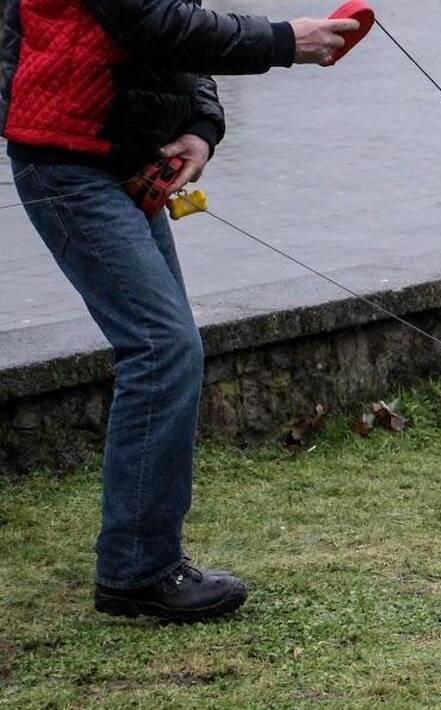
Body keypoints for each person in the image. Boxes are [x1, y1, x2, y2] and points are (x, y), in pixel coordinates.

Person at [0, 0, 360, 622]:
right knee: (161, 348)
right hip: (66, 162)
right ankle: (138, 571)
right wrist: (284, 39)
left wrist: (200, 127)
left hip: (123, 153)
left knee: (165, 348)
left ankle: (145, 562)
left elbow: (181, 32)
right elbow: (159, 24)